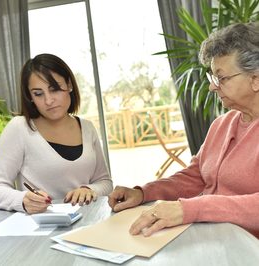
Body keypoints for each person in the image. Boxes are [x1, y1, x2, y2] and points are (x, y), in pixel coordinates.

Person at [108, 22, 259, 238]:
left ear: (255, 79)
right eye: (213, 78)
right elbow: (195, 177)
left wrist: (190, 209)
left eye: (222, 78)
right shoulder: (222, 124)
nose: (212, 86)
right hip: (211, 240)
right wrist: (143, 192)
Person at [0, 53, 113, 214]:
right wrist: (22, 200)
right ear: (30, 97)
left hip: (89, 222)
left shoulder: (87, 128)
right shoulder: (19, 128)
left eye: (55, 89)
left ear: (70, 85)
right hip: (40, 228)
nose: (48, 100)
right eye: (38, 93)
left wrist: (89, 189)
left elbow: (104, 182)